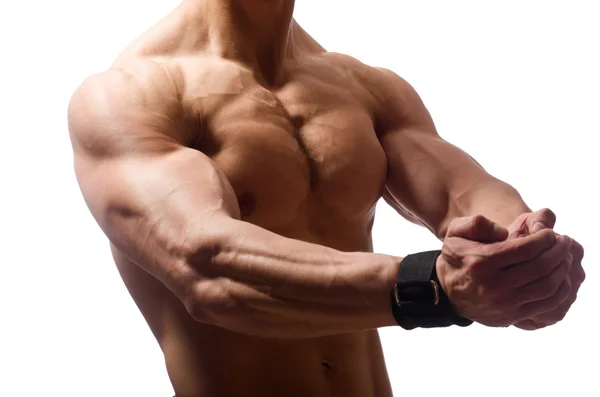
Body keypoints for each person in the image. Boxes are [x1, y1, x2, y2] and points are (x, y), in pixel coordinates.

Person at [67, 1, 585, 396]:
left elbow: (462, 190)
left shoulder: (362, 86)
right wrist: (432, 287)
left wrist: (523, 251)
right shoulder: (131, 94)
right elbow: (208, 266)